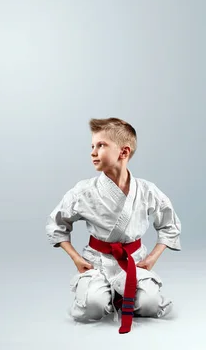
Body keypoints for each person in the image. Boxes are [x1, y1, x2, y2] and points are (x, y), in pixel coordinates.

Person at [45, 117, 182, 334]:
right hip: (97, 262)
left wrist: (152, 257)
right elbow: (56, 224)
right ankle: (105, 294)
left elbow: (169, 226)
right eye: (92, 146)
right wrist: (76, 258)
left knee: (150, 303)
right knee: (93, 307)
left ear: (124, 152)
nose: (93, 152)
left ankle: (121, 295)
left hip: (133, 261)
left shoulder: (146, 191)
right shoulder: (84, 191)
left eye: (101, 145)